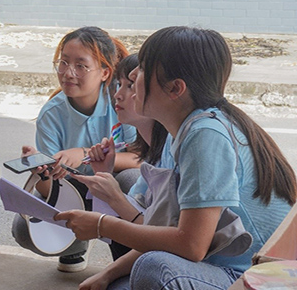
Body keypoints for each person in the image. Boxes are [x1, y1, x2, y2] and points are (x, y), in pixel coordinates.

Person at [57, 26, 297, 289]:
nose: (134, 74)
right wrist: (107, 273)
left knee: (153, 268)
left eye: (143, 69)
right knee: (120, 281)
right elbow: (166, 234)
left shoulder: (205, 135)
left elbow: (190, 245)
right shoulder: (183, 132)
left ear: (175, 89)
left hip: (254, 275)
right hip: (218, 265)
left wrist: (103, 226)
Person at [12, 26, 139, 273]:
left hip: (113, 185)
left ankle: (128, 261)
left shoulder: (120, 99)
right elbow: (51, 191)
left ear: (105, 72)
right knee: (23, 229)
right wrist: (44, 173)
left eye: (81, 65)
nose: (68, 73)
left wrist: (84, 154)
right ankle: (75, 246)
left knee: (132, 180)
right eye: (63, 63)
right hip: (74, 191)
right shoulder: (52, 114)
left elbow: (140, 157)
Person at [73, 54, 169, 261]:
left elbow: (170, 241)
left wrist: (114, 199)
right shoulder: (153, 151)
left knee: (124, 194)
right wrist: (104, 175)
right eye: (119, 84)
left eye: (131, 85)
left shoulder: (174, 153)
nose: (117, 94)